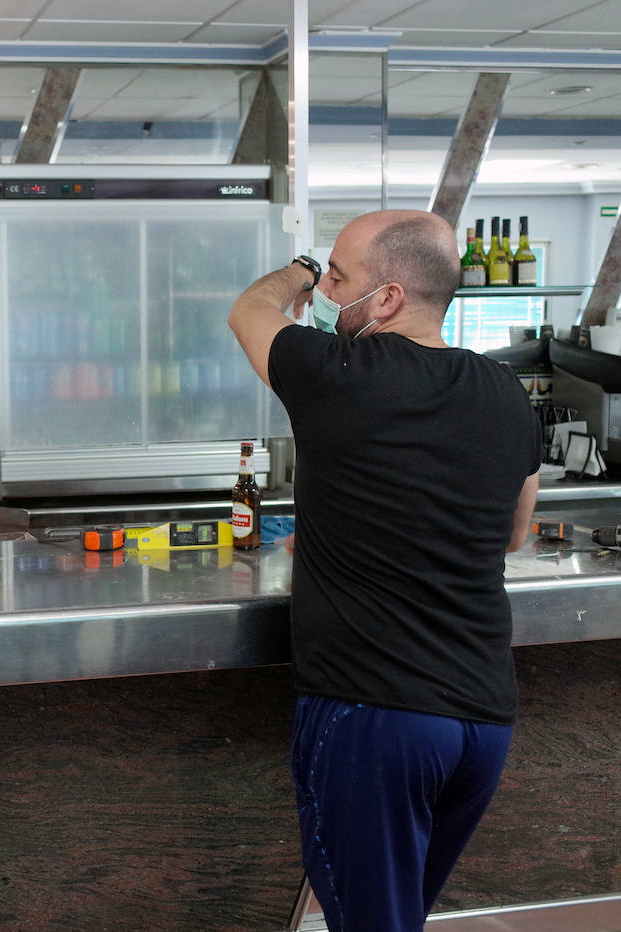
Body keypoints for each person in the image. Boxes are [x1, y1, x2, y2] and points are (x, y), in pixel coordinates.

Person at [227, 210, 539, 931]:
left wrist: (295, 276)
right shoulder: (506, 393)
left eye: (340, 278)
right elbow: (513, 534)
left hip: (376, 717)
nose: (331, 294)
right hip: (482, 720)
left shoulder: (336, 371)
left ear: (389, 298)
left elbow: (250, 310)